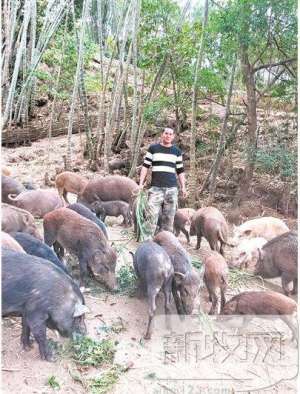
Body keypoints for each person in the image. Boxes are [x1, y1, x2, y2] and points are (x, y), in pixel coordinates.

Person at [138, 127, 187, 238]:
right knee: (151, 216)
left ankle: (166, 243)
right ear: (162, 135)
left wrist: (183, 187)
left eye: (170, 134)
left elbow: (180, 171)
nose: (168, 135)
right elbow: (145, 166)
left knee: (169, 218)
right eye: (166, 133)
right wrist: (141, 183)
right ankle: (147, 242)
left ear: (173, 137)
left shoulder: (177, 152)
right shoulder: (153, 149)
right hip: (156, 188)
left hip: (172, 189)